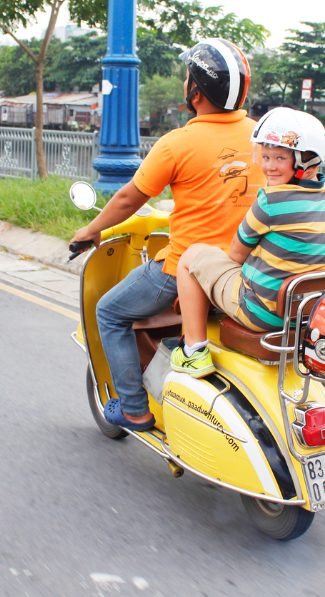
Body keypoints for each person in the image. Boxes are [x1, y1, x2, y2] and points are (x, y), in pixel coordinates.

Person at [70, 38, 265, 431]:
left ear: (195, 91)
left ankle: (134, 409)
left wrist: (92, 229)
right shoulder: (262, 138)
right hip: (246, 272)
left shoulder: (177, 144)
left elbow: (128, 199)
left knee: (108, 311)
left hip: (185, 271)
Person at [171, 108, 325, 376]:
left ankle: (193, 351)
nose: (269, 166)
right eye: (264, 156)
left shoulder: (271, 201)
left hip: (261, 312)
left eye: (280, 158)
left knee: (192, 256)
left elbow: (236, 254)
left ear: (307, 160)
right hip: (306, 313)